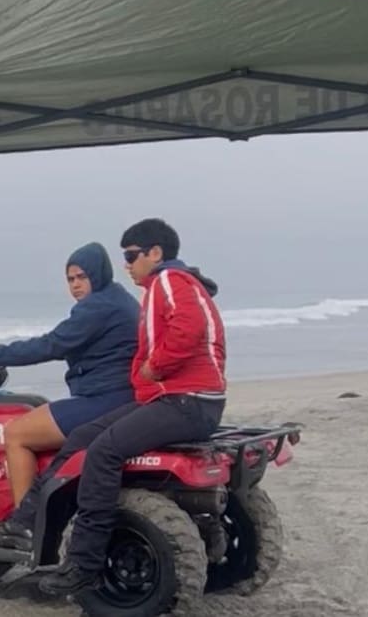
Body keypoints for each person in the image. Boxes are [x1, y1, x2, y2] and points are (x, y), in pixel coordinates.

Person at [29, 218, 228, 597]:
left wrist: (155, 367)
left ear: (156, 253)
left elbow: (189, 330)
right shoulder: (178, 283)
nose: (127, 265)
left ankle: (83, 564)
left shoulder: (168, 280)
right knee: (85, 435)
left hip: (185, 400)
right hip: (183, 399)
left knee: (104, 452)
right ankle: (29, 516)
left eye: (132, 256)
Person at [0, 241, 139, 508]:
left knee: (16, 434)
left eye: (82, 277)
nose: (75, 285)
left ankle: (23, 520)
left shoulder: (97, 307)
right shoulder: (119, 299)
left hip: (104, 399)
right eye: (70, 279)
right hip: (122, 396)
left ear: (98, 274)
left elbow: (50, 345)